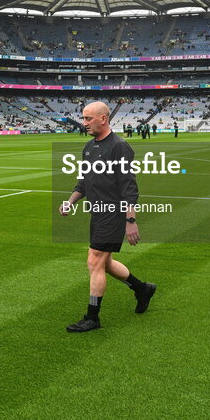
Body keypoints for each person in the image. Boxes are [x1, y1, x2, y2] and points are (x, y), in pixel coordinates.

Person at [59, 101, 156, 332]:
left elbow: (129, 187)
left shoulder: (119, 147)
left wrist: (130, 220)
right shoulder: (89, 147)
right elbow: (83, 182)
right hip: (97, 212)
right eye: (83, 119)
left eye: (88, 119)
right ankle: (142, 289)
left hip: (113, 213)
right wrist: (70, 202)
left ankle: (92, 317)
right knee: (106, 262)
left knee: (94, 261)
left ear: (103, 118)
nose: (84, 124)